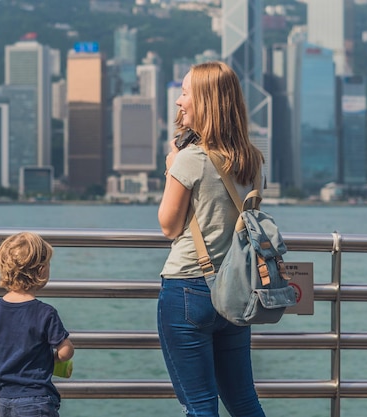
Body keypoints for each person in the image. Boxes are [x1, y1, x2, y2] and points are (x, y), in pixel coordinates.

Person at [157, 61, 267, 417]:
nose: (179, 101)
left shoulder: (189, 159)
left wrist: (171, 168)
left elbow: (169, 227)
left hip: (189, 288)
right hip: (236, 290)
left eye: (186, 92)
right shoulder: (251, 159)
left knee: (201, 406)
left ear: (205, 101)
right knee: (244, 401)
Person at [0, 232, 74, 417]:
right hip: (38, 400)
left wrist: (5, 354)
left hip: (6, 399)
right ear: (41, 271)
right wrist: (52, 359)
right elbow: (66, 352)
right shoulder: (45, 312)